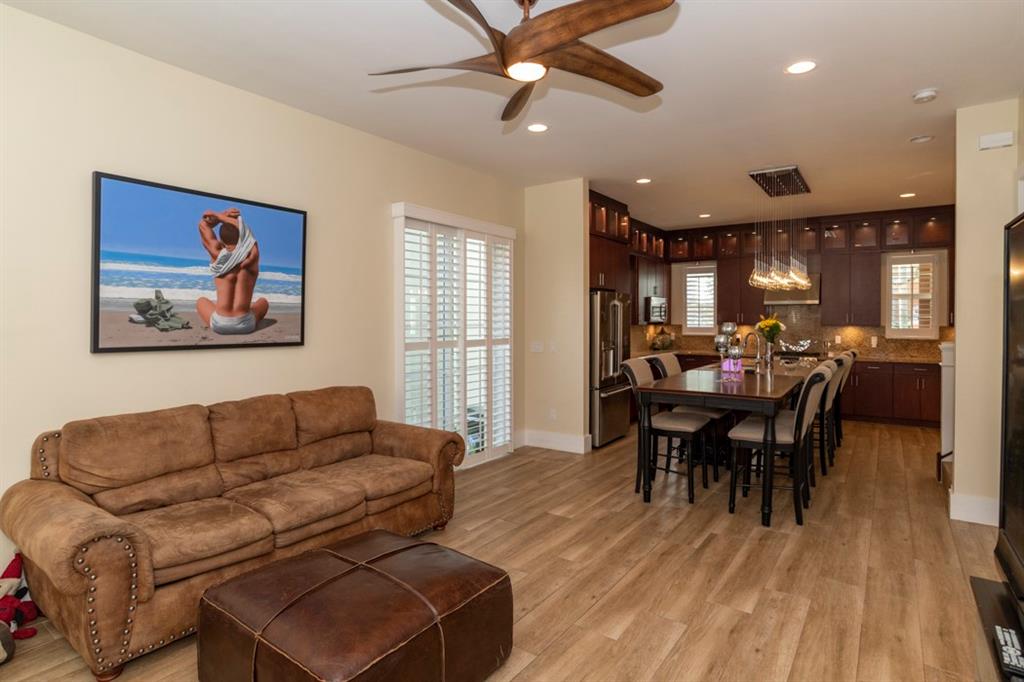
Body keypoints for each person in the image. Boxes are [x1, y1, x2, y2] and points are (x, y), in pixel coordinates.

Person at [195, 208, 269, 334]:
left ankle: (226, 313)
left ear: (221, 241)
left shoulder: (217, 255)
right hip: (246, 325)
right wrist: (224, 218)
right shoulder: (252, 255)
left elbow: (203, 225)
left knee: (201, 301)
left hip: (220, 324)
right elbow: (249, 236)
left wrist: (220, 215)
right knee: (263, 302)